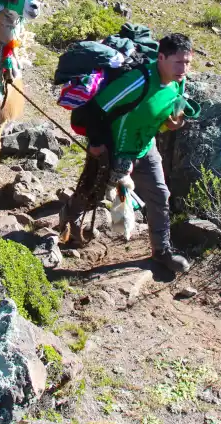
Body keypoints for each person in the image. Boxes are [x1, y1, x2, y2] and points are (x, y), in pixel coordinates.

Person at [64, 34, 196, 273]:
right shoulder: (139, 81)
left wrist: (171, 124)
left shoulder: (178, 83)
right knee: (92, 192)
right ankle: (70, 220)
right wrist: (96, 142)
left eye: (187, 62)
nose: (183, 68)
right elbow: (96, 109)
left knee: (160, 195)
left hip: (145, 148)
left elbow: (162, 116)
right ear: (161, 58)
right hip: (112, 148)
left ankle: (161, 251)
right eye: (178, 62)